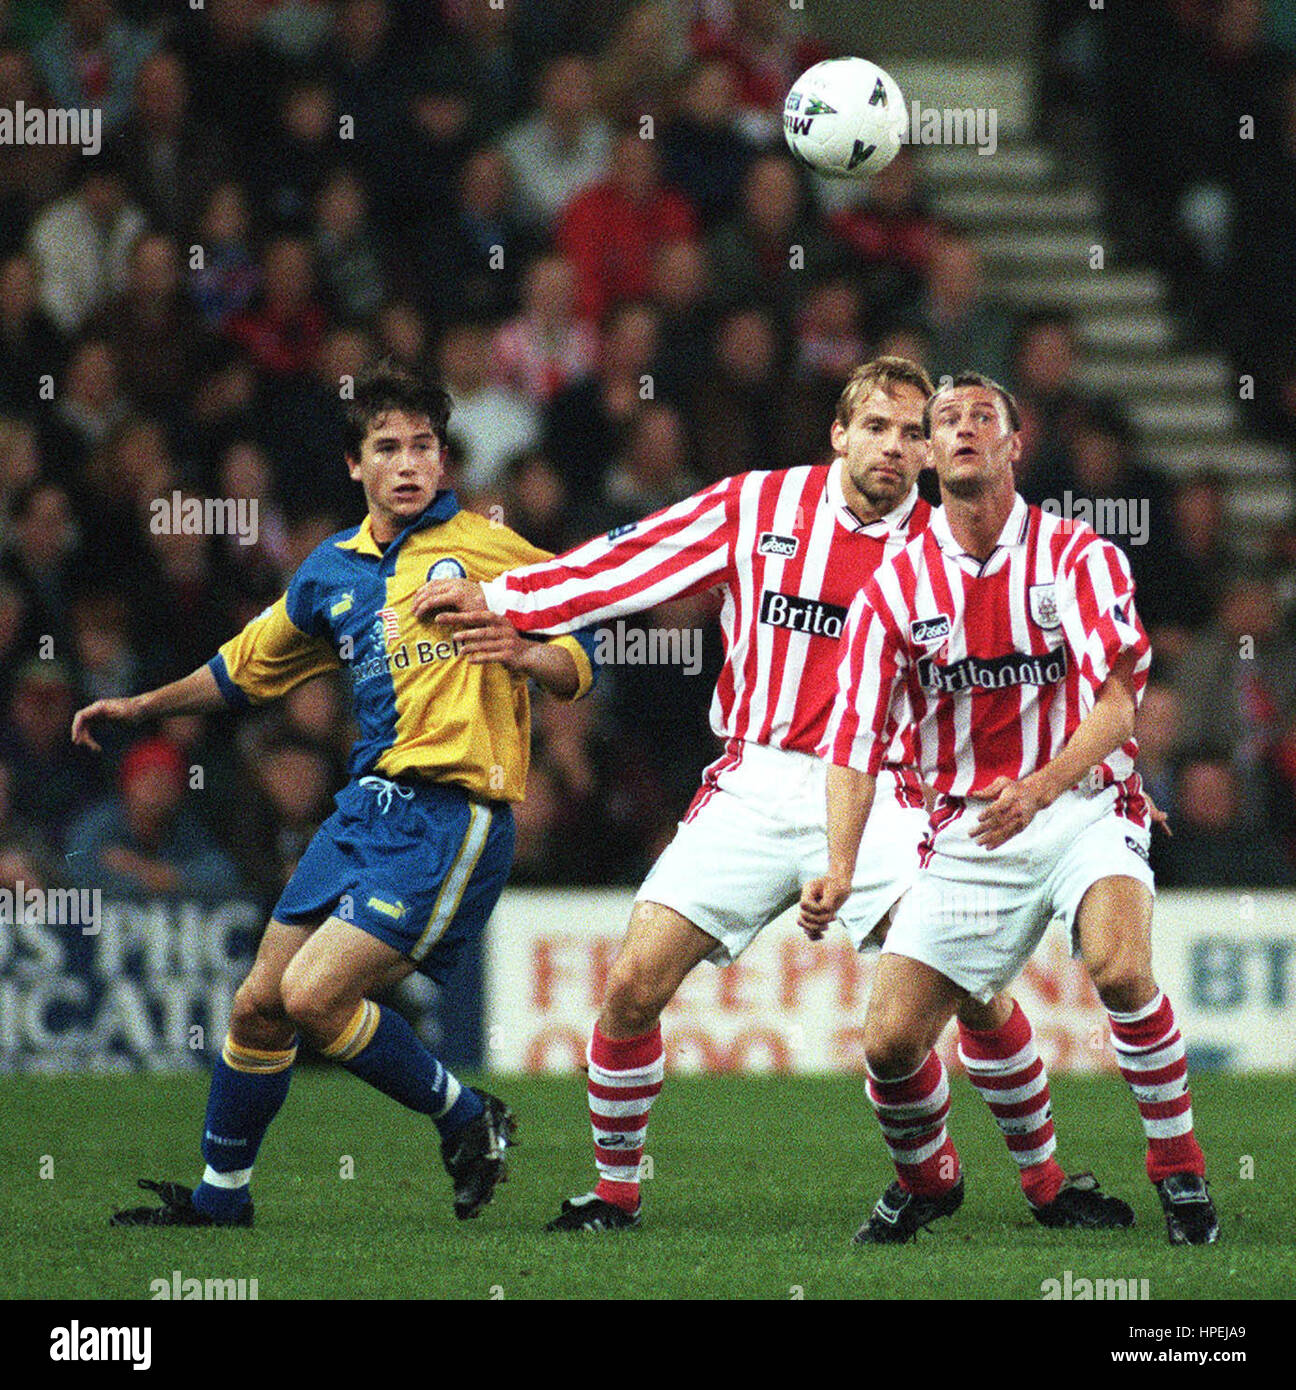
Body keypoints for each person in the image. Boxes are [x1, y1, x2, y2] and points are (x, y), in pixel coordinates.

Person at [417, 357, 1134, 1236]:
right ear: (838, 433)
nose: (895, 449)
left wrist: (1102, 778)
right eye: (875, 427)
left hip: (889, 792)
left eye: (914, 433)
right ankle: (614, 1193)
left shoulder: (954, 542)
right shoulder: (755, 506)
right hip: (754, 781)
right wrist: (502, 598)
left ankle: (1046, 1182)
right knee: (635, 982)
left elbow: (1030, 676)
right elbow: (628, 565)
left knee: (972, 993)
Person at [73, 361, 597, 1227]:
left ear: (443, 461)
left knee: (314, 996)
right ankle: (221, 1200)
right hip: (362, 815)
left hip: (449, 815)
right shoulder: (332, 571)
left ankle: (468, 1116)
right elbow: (244, 670)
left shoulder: (492, 550)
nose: (408, 462)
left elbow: (579, 657)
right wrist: (142, 704)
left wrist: (522, 649)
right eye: (387, 447)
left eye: (423, 446)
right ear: (355, 466)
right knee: (257, 1003)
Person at [801, 372, 1218, 1246]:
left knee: (1120, 971)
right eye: (941, 421)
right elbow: (852, 742)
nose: (958, 431)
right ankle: (930, 1180)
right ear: (922, 452)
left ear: (1014, 445)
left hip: (1081, 805)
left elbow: (1116, 707)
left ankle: (1180, 1176)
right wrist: (839, 866)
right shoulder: (892, 590)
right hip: (970, 832)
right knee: (887, 1045)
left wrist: (1041, 788)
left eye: (979, 419)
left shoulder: (1077, 556)